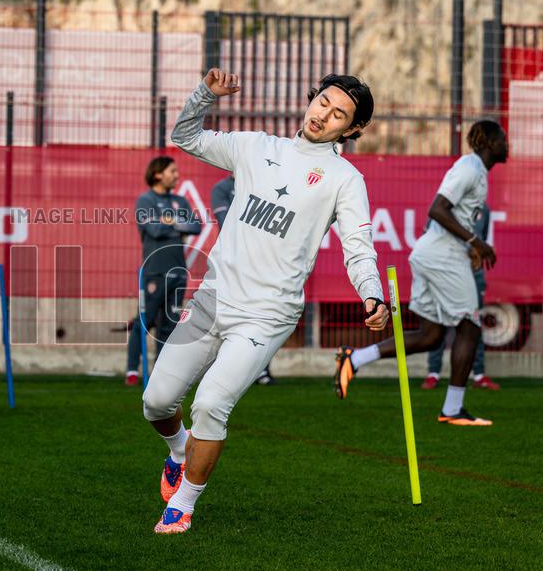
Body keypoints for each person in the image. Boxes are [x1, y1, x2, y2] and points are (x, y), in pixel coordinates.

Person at [144, 68, 388, 534]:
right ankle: (179, 451)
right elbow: (184, 136)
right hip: (213, 298)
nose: (324, 115)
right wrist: (205, 95)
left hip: (268, 313)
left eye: (340, 114)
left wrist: (372, 293)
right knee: (156, 403)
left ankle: (183, 505)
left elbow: (358, 246)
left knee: (212, 403)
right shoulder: (257, 146)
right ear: (312, 97)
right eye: (323, 102)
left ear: (352, 130)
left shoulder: (345, 179)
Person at [335, 121, 508, 426]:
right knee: (469, 325)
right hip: (442, 257)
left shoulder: (478, 171)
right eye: (503, 139)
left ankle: (354, 358)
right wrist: (476, 241)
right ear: (491, 142)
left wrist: (470, 247)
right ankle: (453, 409)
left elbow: (447, 217)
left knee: (431, 336)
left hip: (435, 254)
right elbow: (437, 208)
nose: (507, 145)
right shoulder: (469, 166)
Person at [125, 156, 202, 386]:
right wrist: (176, 224)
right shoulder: (145, 200)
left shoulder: (180, 200)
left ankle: (160, 370)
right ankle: (132, 370)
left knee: (170, 323)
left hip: (178, 271)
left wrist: (169, 221)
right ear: (158, 174)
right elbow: (154, 230)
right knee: (145, 320)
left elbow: (196, 225)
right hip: (155, 271)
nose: (176, 176)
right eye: (172, 171)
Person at [423, 202, 499, 391]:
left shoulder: (484, 209)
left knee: (473, 325)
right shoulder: (443, 207)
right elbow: (429, 239)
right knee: (438, 322)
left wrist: (477, 251)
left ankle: (478, 374)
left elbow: (481, 240)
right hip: (445, 272)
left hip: (473, 274)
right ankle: (433, 373)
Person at [210, 173, 276, 386]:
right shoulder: (221, 188)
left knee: (262, 313)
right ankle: (227, 368)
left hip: (260, 260)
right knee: (229, 314)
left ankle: (261, 369)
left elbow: (272, 223)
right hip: (233, 261)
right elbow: (226, 221)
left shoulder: (262, 183)